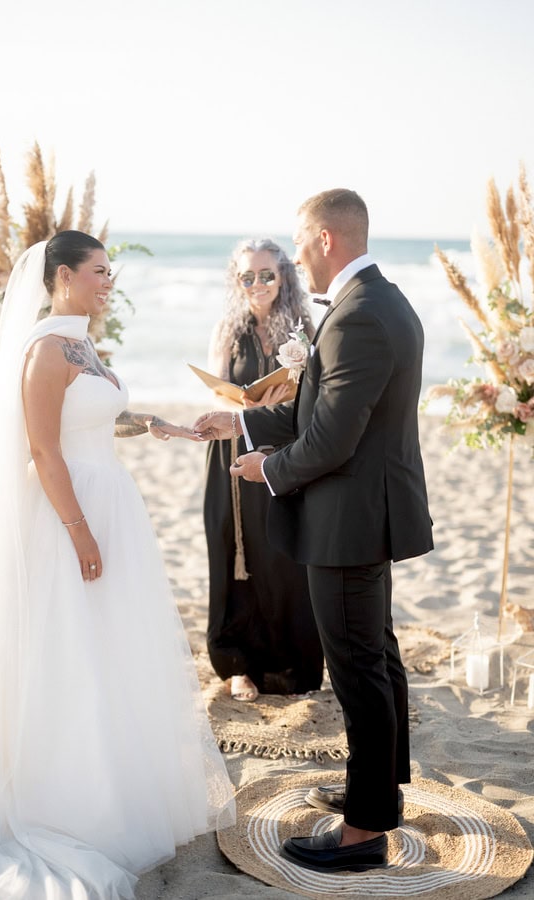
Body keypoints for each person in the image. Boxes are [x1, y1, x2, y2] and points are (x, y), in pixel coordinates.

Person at [0, 231, 233, 898]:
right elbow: (44, 450)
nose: (108, 280)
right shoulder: (43, 350)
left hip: (112, 506)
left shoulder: (84, 343)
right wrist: (79, 532)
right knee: (67, 650)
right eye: (97, 271)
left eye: (109, 270)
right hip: (72, 516)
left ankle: (112, 780)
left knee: (108, 649)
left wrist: (163, 424)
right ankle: (64, 796)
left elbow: (91, 420)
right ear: (60, 276)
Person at [194, 189, 433, 872]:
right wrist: (239, 421)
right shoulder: (378, 301)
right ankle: (377, 791)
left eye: (299, 245)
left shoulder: (359, 316)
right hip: (366, 512)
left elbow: (326, 440)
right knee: (376, 654)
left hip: (350, 520)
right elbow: (317, 410)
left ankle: (364, 833)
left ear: (327, 240)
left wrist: (265, 470)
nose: (296, 258)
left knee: (358, 666)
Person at [204, 237, 323, 702]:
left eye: (266, 274)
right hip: (230, 448)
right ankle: (239, 664)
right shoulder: (227, 329)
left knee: (281, 555)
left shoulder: (302, 328)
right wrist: (244, 404)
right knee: (234, 554)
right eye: (247, 276)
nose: (257, 284)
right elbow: (215, 390)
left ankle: (289, 661)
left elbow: (314, 397)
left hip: (282, 451)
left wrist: (281, 403)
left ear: (284, 277)